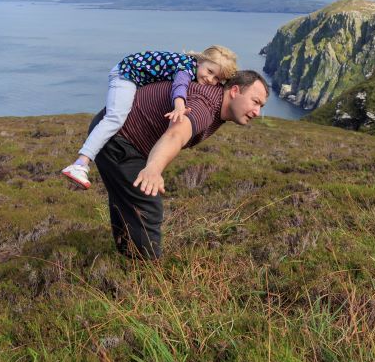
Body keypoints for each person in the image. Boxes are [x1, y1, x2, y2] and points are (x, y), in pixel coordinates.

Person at [91, 69, 268, 259]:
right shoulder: (205, 107)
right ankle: (148, 273)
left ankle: (126, 259)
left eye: (261, 106)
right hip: (117, 140)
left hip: (116, 134)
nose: (257, 112)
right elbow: (175, 134)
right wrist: (153, 169)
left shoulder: (215, 101)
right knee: (148, 207)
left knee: (127, 201)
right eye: (255, 102)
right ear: (234, 91)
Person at [61, 45, 238, 189]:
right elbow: (180, 85)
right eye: (209, 71)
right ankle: (80, 164)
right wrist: (179, 106)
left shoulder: (195, 69)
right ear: (200, 61)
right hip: (126, 74)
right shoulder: (185, 67)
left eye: (217, 79)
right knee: (115, 118)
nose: (210, 79)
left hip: (136, 78)